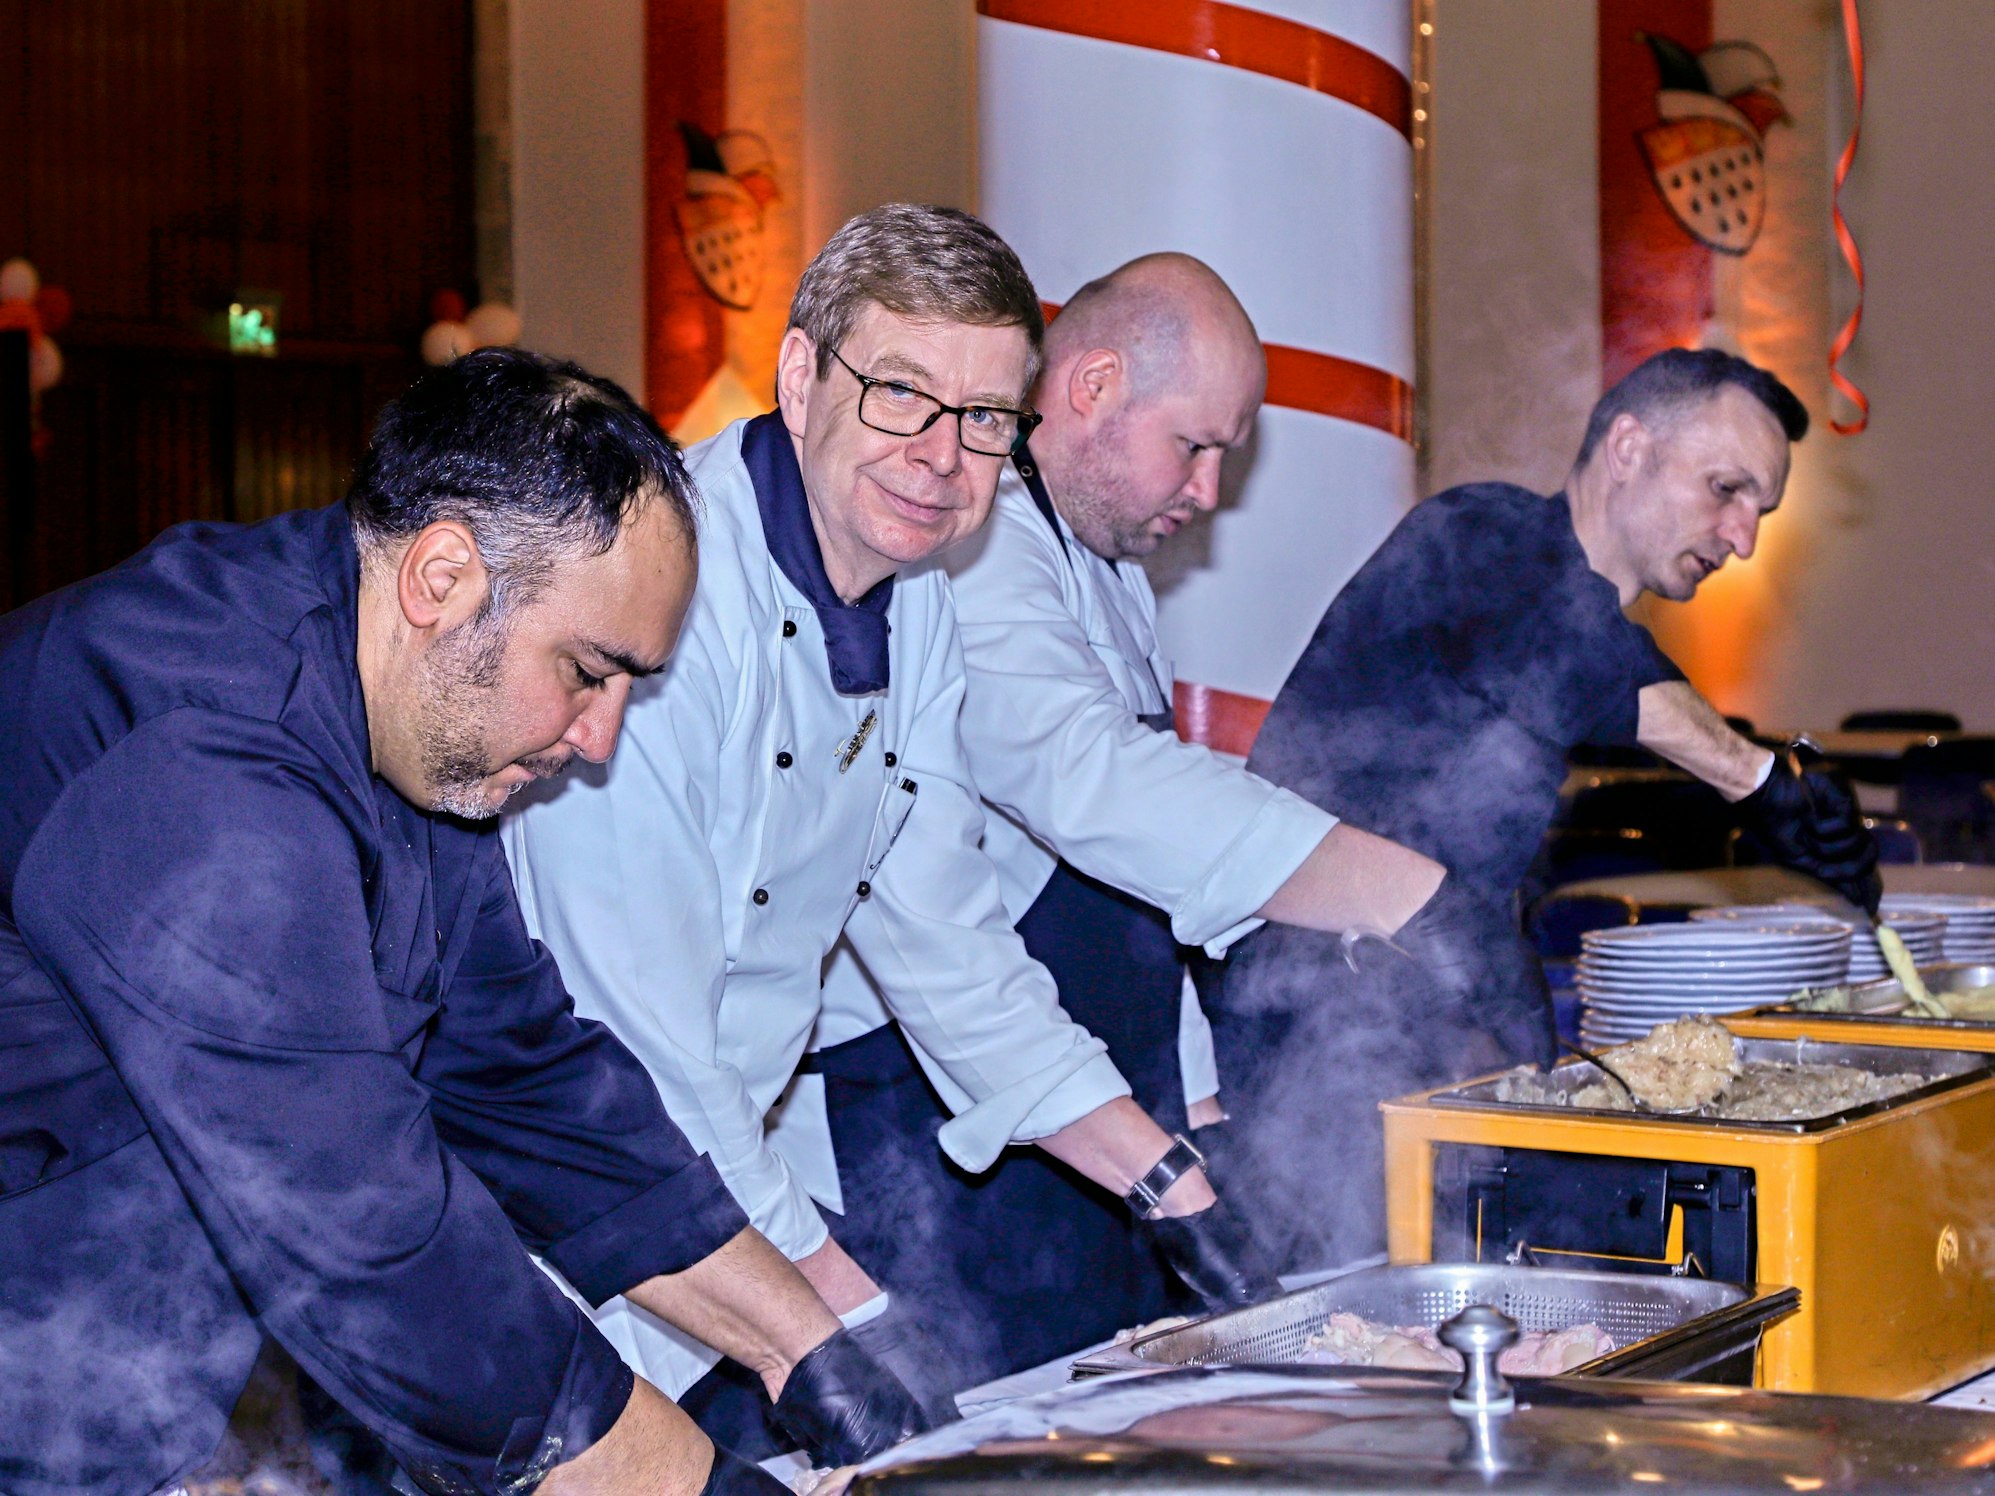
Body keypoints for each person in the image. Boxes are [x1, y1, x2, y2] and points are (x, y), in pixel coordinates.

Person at [0, 350, 923, 1496]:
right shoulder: (200, 756)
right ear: (441, 576)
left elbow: (521, 1075)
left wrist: (809, 1346)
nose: (600, 738)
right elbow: (359, 1225)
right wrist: (696, 1483)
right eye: (586, 671)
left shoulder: (413, 730)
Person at [501, 208, 1282, 1439]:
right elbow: (643, 1046)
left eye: (985, 418)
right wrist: (844, 1313)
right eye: (902, 395)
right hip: (570, 1217)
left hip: (724, 1193)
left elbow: (951, 952)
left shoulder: (915, 604)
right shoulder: (660, 594)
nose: (942, 457)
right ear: (801, 375)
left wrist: (1176, 1187)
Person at [815, 252, 1487, 1375]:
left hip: (1098, 1116)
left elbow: (1135, 883)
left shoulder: (1110, 571)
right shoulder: (969, 545)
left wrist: (1200, 1105)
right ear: (1093, 385)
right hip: (937, 1122)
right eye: (1196, 446)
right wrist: (1400, 893)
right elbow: (1087, 779)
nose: (1209, 491)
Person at [1206, 346, 1882, 1267]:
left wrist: (1767, 783)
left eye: (1758, 512)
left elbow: (1608, 658)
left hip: (1418, 1042)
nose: (1742, 539)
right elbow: (1575, 651)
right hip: (1312, 1038)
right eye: (1725, 490)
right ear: (1628, 447)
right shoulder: (1478, 535)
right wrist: (1758, 782)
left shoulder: (1581, 616)